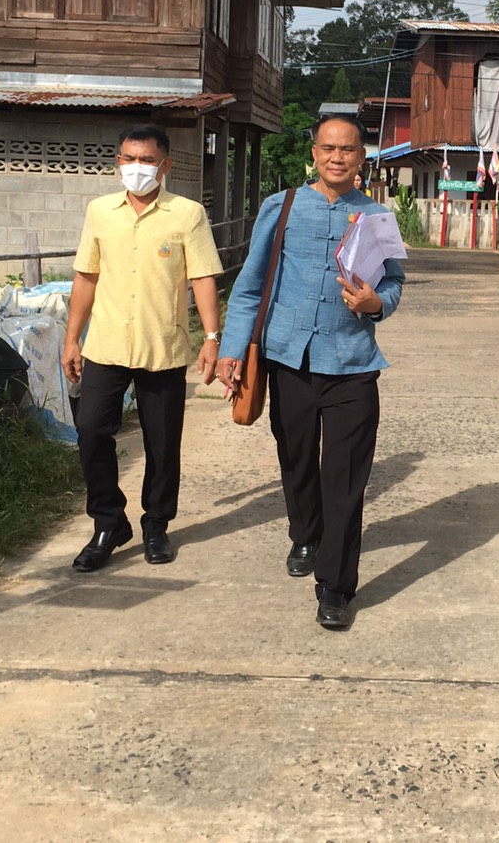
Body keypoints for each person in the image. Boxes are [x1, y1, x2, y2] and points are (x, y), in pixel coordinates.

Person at [217, 116, 405, 631]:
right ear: (315, 153)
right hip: (289, 360)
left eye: (348, 149)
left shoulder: (378, 219)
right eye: (328, 148)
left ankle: (335, 586)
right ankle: (304, 531)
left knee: (344, 479)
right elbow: (250, 288)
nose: (337, 157)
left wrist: (374, 304)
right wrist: (232, 352)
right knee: (296, 458)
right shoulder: (282, 208)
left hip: (352, 365)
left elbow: (394, 288)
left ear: (361, 157)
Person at [61, 124, 222, 572]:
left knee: (162, 444)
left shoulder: (186, 214)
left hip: (163, 347)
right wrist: (72, 338)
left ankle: (156, 525)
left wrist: (211, 338)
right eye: (129, 159)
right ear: (118, 163)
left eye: (147, 160)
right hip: (106, 346)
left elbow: (203, 276)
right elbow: (86, 277)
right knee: (92, 431)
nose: (137, 168)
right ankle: (109, 523)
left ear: (165, 165)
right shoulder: (100, 212)